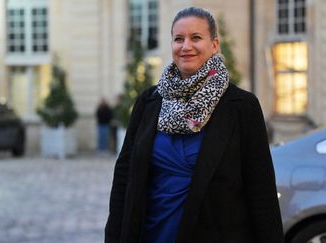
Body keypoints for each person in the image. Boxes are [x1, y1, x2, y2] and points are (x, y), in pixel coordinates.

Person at [105, 7, 284, 243]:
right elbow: (125, 176)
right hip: (150, 233)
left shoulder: (241, 106)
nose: (185, 46)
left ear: (215, 45)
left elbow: (261, 190)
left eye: (196, 38)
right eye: (178, 39)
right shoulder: (149, 101)